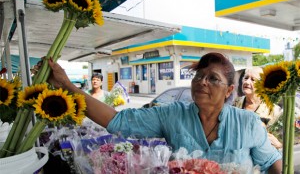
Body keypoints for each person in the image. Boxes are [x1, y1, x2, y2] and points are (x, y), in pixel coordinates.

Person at [47, 53, 282, 173]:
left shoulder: (247, 122)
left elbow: (273, 162)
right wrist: (68, 86)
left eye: (213, 79)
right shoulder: (172, 115)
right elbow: (117, 121)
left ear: (230, 90)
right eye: (199, 77)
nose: (202, 82)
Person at [232, 67, 283, 149]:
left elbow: (283, 140)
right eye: (246, 78)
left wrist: (280, 145)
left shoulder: (273, 110)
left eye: (253, 79)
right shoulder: (234, 104)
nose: (247, 82)